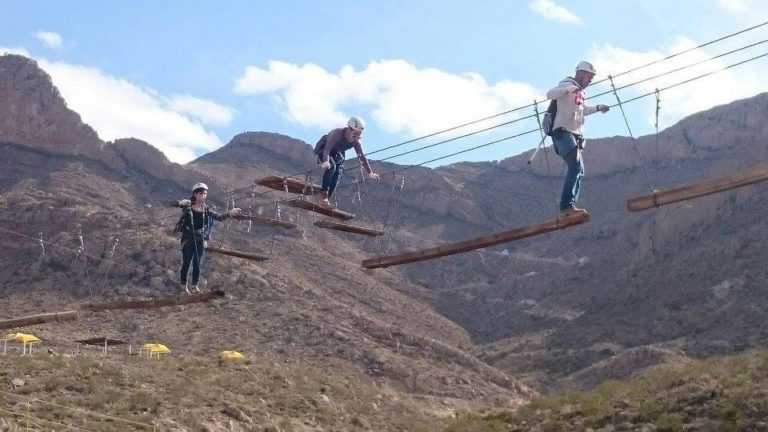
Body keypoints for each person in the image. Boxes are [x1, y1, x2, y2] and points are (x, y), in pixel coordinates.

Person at [545, 61, 610, 216]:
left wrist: (598, 107)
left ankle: (570, 205)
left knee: (579, 169)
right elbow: (550, 94)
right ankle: (566, 205)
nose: (590, 81)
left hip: (573, 134)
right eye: (588, 77)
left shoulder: (580, 92)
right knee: (575, 166)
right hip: (562, 132)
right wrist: (568, 89)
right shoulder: (567, 84)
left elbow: (581, 111)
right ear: (580, 73)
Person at [174, 183, 241, 294]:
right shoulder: (188, 207)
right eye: (200, 193)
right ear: (195, 194)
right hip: (188, 238)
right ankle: (183, 285)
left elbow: (219, 217)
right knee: (187, 262)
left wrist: (230, 213)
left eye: (204, 194)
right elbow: (173, 204)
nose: (203, 196)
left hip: (200, 239)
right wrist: (180, 203)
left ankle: (194, 285)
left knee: (198, 263)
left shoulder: (206, 209)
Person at [313, 116, 380, 207]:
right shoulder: (337, 134)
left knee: (339, 173)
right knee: (332, 167)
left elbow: (362, 157)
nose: (356, 137)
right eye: (355, 133)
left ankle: (326, 200)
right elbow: (327, 149)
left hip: (337, 152)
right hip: (324, 149)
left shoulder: (356, 141)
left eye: (359, 134)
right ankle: (324, 196)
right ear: (349, 129)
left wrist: (370, 173)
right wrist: (326, 161)